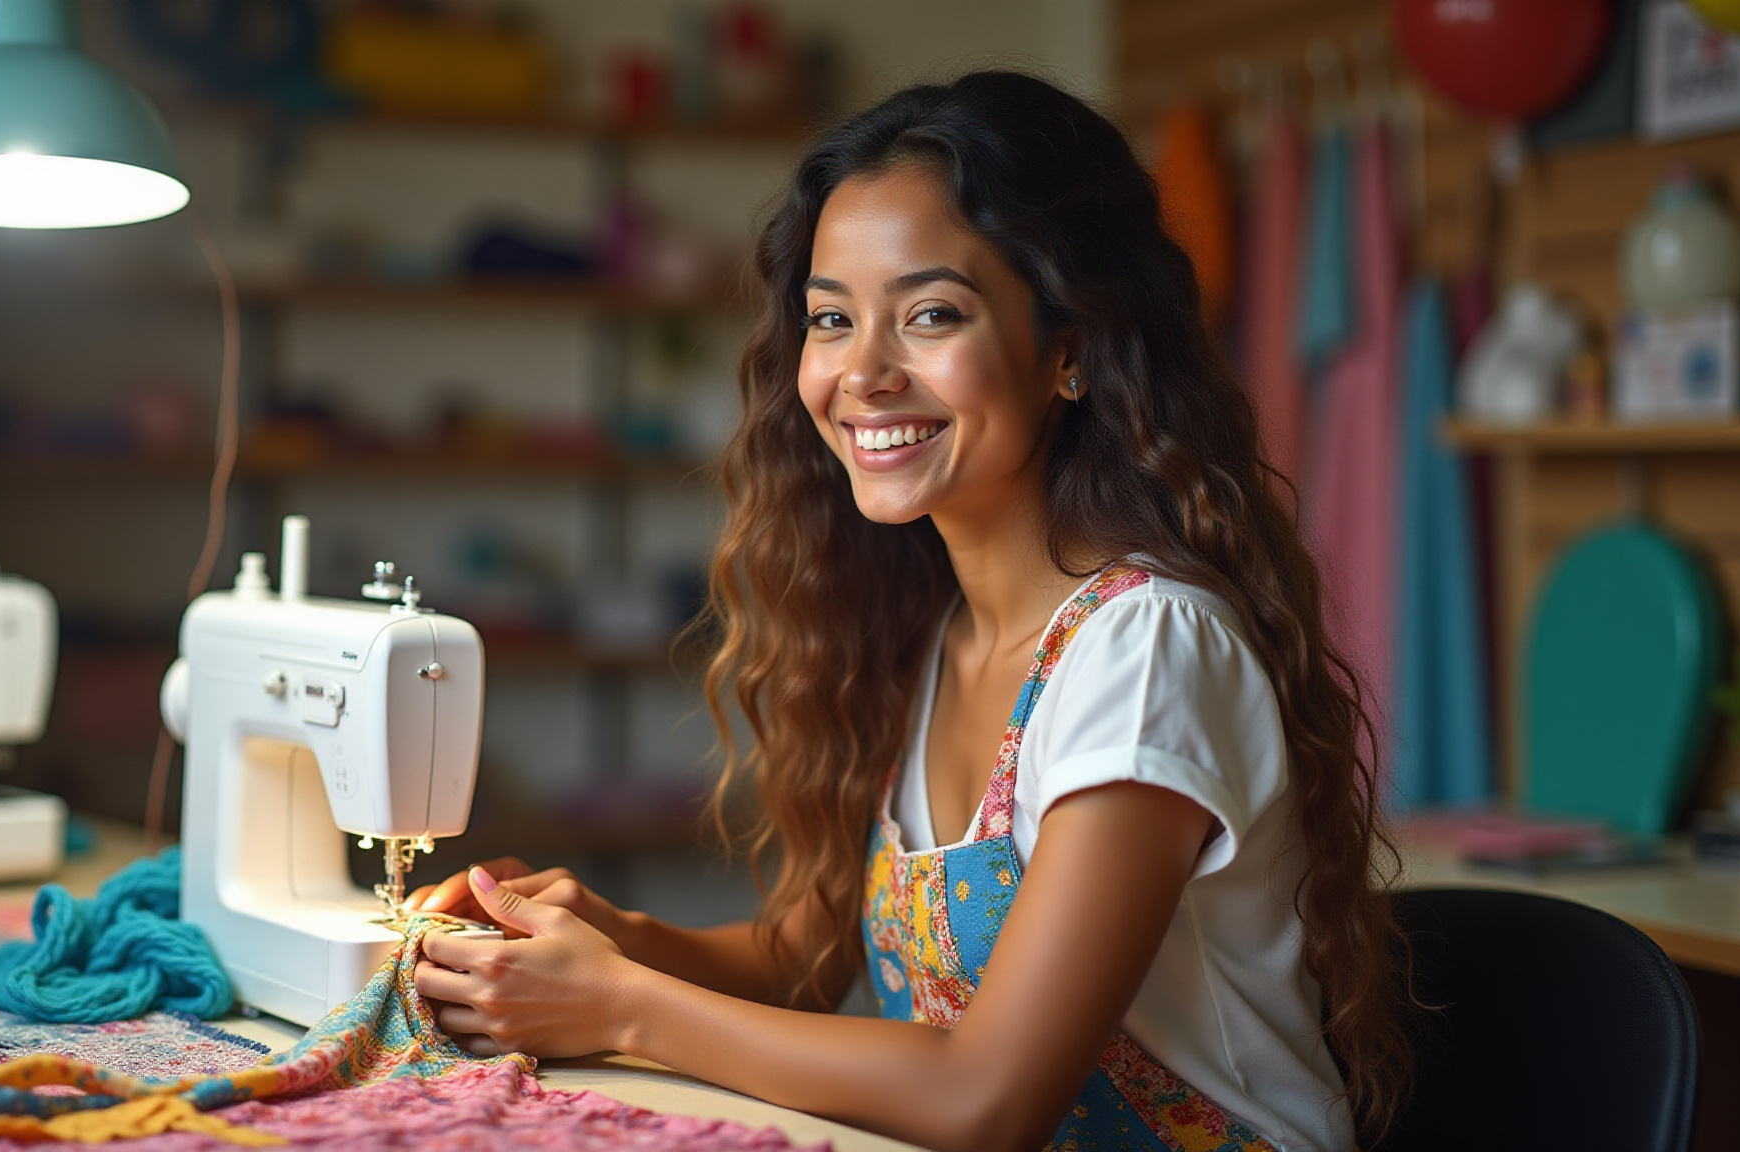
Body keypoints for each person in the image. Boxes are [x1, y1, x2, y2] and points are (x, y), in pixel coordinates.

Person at [409, 70, 1407, 1152]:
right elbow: (809, 952)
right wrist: (606, 938)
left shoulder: (1144, 648)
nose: (862, 373)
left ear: (1067, 347)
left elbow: (986, 1096)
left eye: (931, 314)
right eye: (830, 320)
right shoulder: (939, 631)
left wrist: (619, 1005)